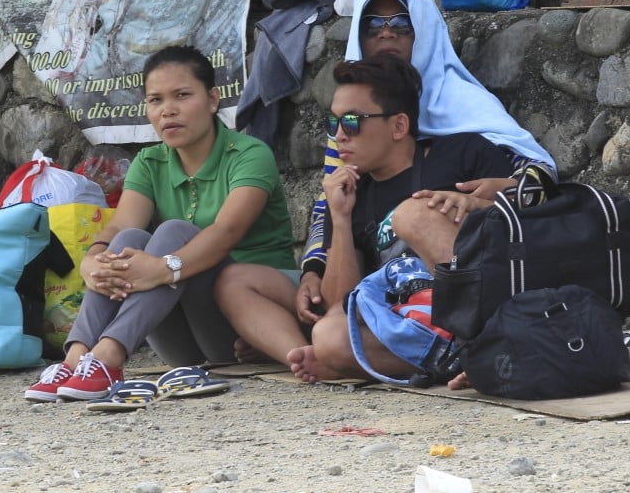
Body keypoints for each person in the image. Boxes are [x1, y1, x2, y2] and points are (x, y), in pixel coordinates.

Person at [24, 45, 296, 402]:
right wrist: (94, 259)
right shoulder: (151, 162)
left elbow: (226, 232)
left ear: (213, 99)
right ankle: (78, 357)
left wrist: (164, 269)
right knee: (131, 237)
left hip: (244, 325)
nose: (168, 110)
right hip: (178, 338)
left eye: (182, 95)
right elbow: (120, 227)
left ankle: (108, 356)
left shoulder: (248, 155)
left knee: (174, 232)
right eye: (155, 100)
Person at [219, 54, 514, 382]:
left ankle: (492, 346)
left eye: (353, 122)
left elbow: (525, 221)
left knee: (411, 215)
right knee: (329, 336)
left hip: (480, 303)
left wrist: (475, 203)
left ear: (399, 125)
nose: (340, 136)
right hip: (411, 320)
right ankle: (455, 361)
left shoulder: (461, 154)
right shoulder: (349, 193)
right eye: (333, 123)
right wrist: (341, 219)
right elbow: (338, 304)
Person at [294, 0, 555, 328]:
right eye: (372, 25)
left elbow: (534, 176)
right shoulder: (350, 118)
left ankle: (493, 333)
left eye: (401, 23)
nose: (386, 33)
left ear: (424, 30)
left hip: (476, 268)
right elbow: (331, 205)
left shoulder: (464, 110)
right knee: (326, 330)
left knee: (412, 215)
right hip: (387, 287)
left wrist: (497, 195)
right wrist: (313, 268)